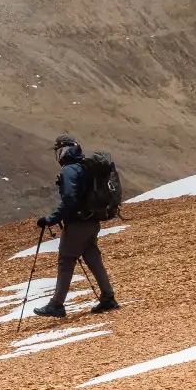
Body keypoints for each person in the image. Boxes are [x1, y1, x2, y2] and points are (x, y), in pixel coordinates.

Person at [31, 135, 120, 319]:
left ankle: (56, 305)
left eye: (59, 151)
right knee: (93, 258)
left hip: (78, 224)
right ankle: (108, 297)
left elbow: (70, 199)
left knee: (66, 261)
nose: (58, 155)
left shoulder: (69, 170)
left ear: (65, 151)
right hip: (92, 221)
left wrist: (51, 219)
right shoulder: (83, 167)